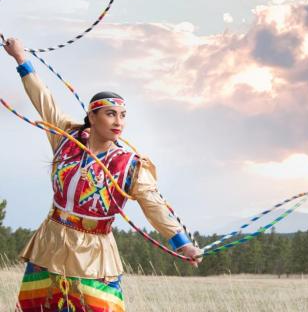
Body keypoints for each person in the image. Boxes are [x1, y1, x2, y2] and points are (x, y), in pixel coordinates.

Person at [3, 37, 202, 311]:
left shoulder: (130, 165)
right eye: (110, 114)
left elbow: (154, 206)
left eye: (122, 115)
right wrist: (20, 59)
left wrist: (182, 244)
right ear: (92, 117)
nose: (118, 122)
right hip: (50, 244)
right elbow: (44, 99)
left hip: (95, 254)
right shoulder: (66, 138)